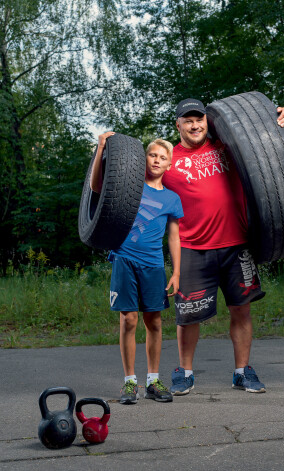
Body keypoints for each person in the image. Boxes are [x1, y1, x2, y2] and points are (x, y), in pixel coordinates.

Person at [162, 98, 284, 395]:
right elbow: (131, 187)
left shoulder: (232, 148)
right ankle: (184, 373)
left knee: (241, 310)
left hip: (237, 246)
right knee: (188, 315)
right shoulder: (168, 160)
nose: (195, 125)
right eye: (188, 120)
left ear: (207, 121)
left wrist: (283, 116)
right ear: (178, 125)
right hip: (191, 249)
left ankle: (242, 371)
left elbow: (268, 143)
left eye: (199, 119)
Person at [90, 133, 184, 404]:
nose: (157, 160)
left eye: (163, 157)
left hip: (154, 265)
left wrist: (176, 272)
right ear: (145, 159)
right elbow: (96, 187)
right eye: (153, 155)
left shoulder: (171, 199)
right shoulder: (130, 187)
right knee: (129, 320)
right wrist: (101, 149)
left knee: (154, 321)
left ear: (169, 165)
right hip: (124, 260)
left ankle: (152, 381)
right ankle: (129, 383)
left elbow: (174, 237)